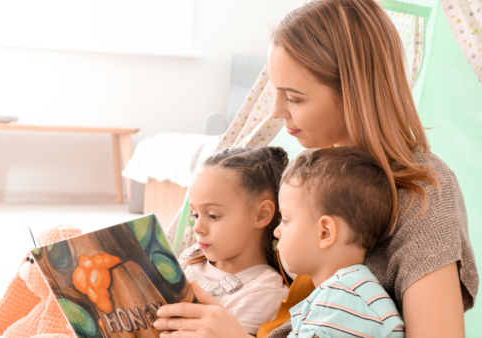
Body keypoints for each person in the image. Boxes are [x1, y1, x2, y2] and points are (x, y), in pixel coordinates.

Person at [153, 0, 478, 337]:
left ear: (354, 92)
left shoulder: (423, 193)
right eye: (276, 93)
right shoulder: (309, 171)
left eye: (294, 98)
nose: (277, 110)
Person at [277, 146, 404, 337]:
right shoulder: (350, 295)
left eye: (285, 220)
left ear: (325, 233)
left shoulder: (337, 304)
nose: (277, 231)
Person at [180, 146, 291, 335]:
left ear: (261, 214)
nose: (197, 227)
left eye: (213, 216)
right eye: (195, 214)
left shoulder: (264, 293)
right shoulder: (192, 256)